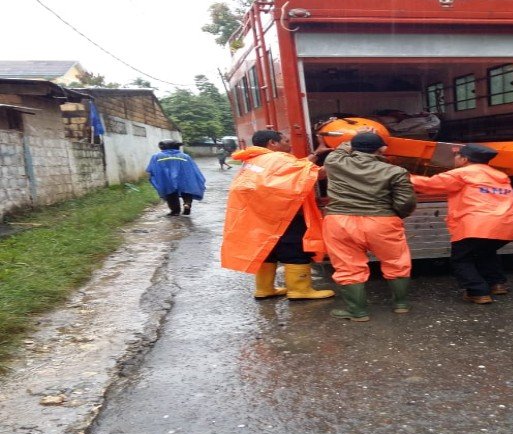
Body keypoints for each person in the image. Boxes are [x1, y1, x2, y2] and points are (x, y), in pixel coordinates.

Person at [220, 130, 335, 301]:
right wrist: (344, 157)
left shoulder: (254, 159)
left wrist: (316, 153)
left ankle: (264, 289)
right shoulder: (279, 159)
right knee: (295, 248)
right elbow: (316, 174)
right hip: (283, 213)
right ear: (272, 143)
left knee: (268, 249)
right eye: (286, 140)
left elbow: (294, 170)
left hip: (259, 215)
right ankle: (299, 290)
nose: (289, 144)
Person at [410, 143, 513, 304]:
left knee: (461, 259)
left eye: (457, 156)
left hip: (476, 225)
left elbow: (428, 185)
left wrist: (398, 176)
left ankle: (477, 291)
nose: (455, 159)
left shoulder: (462, 174)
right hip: (508, 224)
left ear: (464, 159)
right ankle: (497, 284)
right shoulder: (500, 176)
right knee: (486, 252)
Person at [322, 131, 417, 321]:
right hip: (382, 221)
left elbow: (340, 149)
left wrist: (354, 138)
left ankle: (357, 312)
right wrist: (394, 216)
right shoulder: (395, 171)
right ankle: (401, 304)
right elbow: (406, 203)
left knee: (347, 266)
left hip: (339, 221)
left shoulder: (334, 162)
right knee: (396, 262)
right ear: (382, 149)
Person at [146, 139, 206, 216]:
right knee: (187, 191)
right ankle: (187, 204)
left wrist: (154, 178)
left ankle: (175, 211)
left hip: (166, 179)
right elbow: (193, 169)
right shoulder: (185, 156)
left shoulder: (157, 156)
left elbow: (151, 169)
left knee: (171, 194)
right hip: (183, 178)